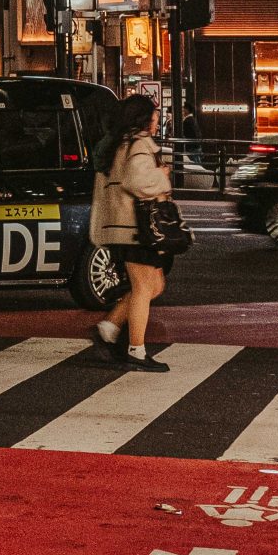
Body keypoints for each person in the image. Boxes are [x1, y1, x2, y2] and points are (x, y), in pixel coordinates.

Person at [91, 96, 176, 371]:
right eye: (153, 116)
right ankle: (136, 350)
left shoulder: (118, 143)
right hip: (136, 228)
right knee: (143, 288)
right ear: (143, 118)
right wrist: (162, 174)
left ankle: (108, 328)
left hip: (120, 226)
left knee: (154, 285)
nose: (156, 120)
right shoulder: (138, 144)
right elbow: (137, 182)